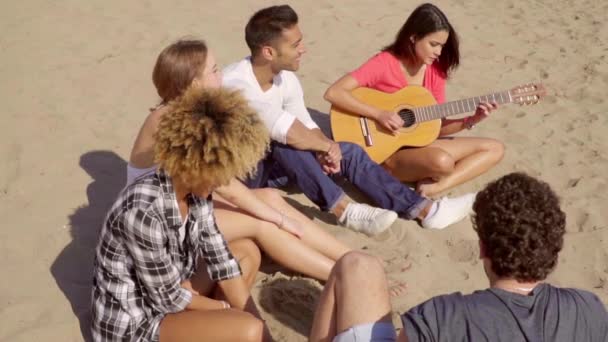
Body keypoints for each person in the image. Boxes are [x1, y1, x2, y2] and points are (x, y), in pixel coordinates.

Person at [223, 5, 477, 235]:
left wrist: (327, 148)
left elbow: (305, 122)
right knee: (285, 140)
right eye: (295, 44)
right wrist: (324, 146)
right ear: (269, 52)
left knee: (350, 152)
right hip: (242, 173)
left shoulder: (285, 78)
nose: (303, 49)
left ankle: (425, 210)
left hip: (278, 166)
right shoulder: (236, 85)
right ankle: (343, 210)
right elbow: (286, 129)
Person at [127, 39, 351, 281]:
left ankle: (350, 258)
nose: (220, 75)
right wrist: (278, 219)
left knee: (270, 197)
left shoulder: (187, 110)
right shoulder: (172, 121)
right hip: (161, 223)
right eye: (213, 71)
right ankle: (341, 275)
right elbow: (225, 186)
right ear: (194, 83)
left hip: (187, 204)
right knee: (263, 223)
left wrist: (272, 211)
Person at [309, 173, 608, 342]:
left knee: (357, 265)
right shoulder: (588, 309)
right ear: (553, 247)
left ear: (482, 248)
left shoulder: (443, 318)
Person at [91, 82, 272, 340]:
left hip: (171, 289)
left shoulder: (197, 191)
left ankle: (223, 328)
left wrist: (255, 319)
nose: (222, 182)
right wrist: (225, 310)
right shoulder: (143, 212)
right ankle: (226, 328)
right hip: (136, 323)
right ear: (196, 164)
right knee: (248, 330)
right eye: (220, 173)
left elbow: (221, 258)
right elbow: (169, 299)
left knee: (246, 253)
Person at [324, 3, 505, 197]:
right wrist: (379, 114)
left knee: (495, 149)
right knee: (442, 163)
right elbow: (334, 93)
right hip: (383, 151)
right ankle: (404, 172)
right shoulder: (385, 63)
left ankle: (435, 187)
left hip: (417, 145)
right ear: (413, 37)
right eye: (433, 44)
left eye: (442, 46)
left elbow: (437, 128)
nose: (439, 52)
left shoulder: (435, 72)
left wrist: (471, 120)